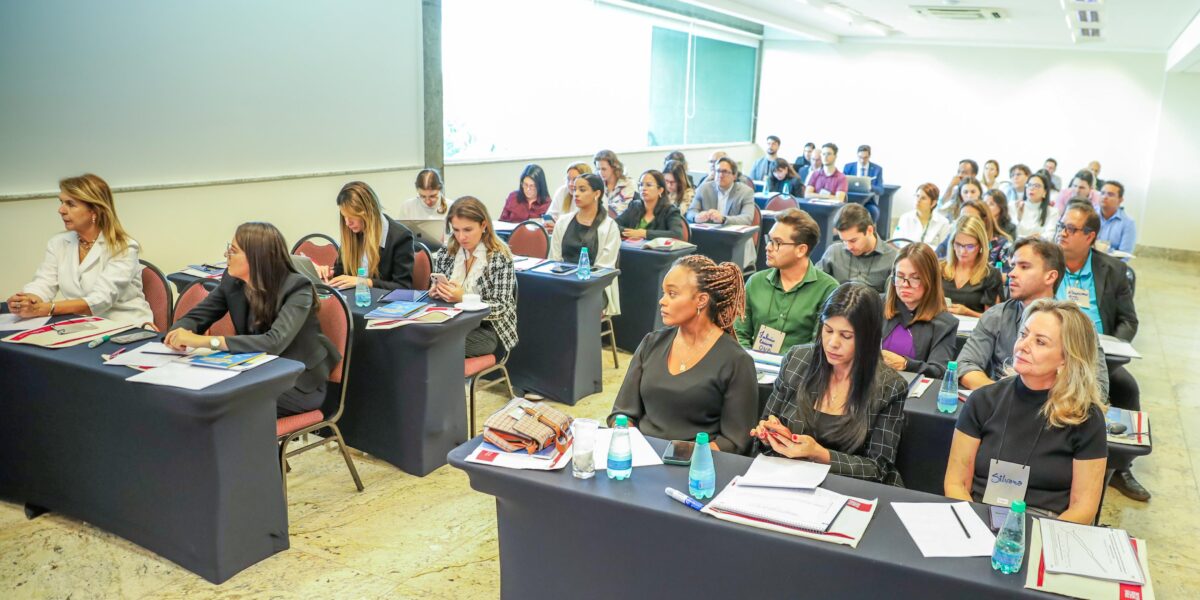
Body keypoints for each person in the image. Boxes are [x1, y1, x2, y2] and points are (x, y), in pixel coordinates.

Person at [945, 299, 1107, 523]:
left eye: (1040, 342)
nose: (1023, 345)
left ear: (1066, 359)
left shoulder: (1085, 418)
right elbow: (956, 483)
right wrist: (973, 527)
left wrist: (1031, 540)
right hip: (978, 514)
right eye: (1024, 334)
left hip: (1047, 525)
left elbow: (1083, 508)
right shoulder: (983, 400)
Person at [166, 222, 341, 417]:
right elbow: (197, 317)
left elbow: (273, 342)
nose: (226, 256)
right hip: (258, 370)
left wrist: (206, 341)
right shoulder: (232, 281)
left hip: (298, 381)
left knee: (220, 404)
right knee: (194, 394)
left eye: (233, 251)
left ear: (256, 258)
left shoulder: (297, 288)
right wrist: (179, 332)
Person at [750, 282, 909, 485]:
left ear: (867, 339)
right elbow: (766, 430)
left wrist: (819, 454)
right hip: (789, 480)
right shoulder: (798, 360)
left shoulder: (890, 386)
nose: (833, 343)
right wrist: (770, 436)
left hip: (847, 488)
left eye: (846, 336)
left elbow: (878, 468)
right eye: (828, 330)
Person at [609, 255, 757, 454]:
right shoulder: (651, 343)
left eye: (672, 294)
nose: (662, 301)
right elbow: (622, 413)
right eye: (664, 293)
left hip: (697, 466)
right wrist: (632, 448)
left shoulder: (736, 361)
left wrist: (681, 458)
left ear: (701, 300)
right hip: (640, 456)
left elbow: (735, 441)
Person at [1055, 203, 1147, 501]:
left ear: (1090, 236)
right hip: (1051, 348)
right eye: (1062, 226)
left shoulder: (1114, 270)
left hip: (1096, 354)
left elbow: (1128, 320)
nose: (1063, 233)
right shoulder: (1047, 263)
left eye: (1071, 229)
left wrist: (1108, 349)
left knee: (1126, 387)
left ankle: (1120, 466)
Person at [956, 237, 1109, 397]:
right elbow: (965, 365)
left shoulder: (1077, 325)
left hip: (1057, 412)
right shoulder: (995, 316)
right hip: (1001, 411)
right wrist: (1006, 397)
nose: (1012, 274)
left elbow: (1099, 389)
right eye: (1013, 266)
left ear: (1050, 277)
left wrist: (1035, 403)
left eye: (1024, 267)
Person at [7, 174, 153, 327]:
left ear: (94, 210)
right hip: (81, 325)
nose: (61, 210)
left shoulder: (124, 248)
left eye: (70, 204)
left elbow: (101, 299)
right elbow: (44, 283)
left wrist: (46, 308)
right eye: (61, 202)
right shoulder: (58, 243)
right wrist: (27, 300)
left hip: (125, 326)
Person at [735, 208, 839, 352]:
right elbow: (739, 333)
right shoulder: (755, 282)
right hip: (754, 366)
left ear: (801, 250)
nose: (768, 247)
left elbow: (818, 346)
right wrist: (748, 363)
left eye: (777, 242)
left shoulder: (828, 289)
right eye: (769, 240)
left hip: (799, 371)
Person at [429, 197, 518, 358]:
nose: (461, 237)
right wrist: (437, 292)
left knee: (437, 344)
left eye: (467, 230)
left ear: (484, 225)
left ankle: (448, 382)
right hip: (451, 323)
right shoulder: (446, 252)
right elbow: (441, 296)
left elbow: (502, 308)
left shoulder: (499, 257)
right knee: (422, 338)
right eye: (456, 230)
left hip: (489, 330)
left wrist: (464, 298)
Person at [881, 243, 958, 378]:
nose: (905, 284)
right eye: (900, 276)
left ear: (930, 281)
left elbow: (939, 371)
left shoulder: (946, 323)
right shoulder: (877, 305)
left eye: (915, 278)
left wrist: (906, 364)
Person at [549, 173, 621, 315]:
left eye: (582, 190)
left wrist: (579, 284)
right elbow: (554, 258)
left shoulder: (609, 226)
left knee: (573, 306)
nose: (576, 194)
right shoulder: (563, 222)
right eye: (575, 189)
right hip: (563, 281)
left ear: (597, 193)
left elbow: (604, 268)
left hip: (594, 287)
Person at [322, 181, 415, 290]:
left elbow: (403, 288)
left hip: (383, 304)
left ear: (368, 212)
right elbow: (341, 272)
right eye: (344, 217)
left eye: (352, 217)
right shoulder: (352, 232)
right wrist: (329, 273)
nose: (347, 223)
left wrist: (364, 282)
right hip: (354, 299)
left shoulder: (400, 237)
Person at [818, 203, 898, 294]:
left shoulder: (892, 258)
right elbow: (816, 284)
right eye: (844, 240)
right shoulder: (834, 252)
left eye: (853, 240)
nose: (848, 247)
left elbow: (892, 299)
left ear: (869, 230)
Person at [941, 216, 1004, 317]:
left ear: (980, 246)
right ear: (952, 243)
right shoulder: (939, 268)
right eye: (958, 245)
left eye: (970, 246)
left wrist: (967, 312)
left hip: (973, 330)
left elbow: (993, 319)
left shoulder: (990, 275)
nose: (962, 251)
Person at [616, 169, 685, 240]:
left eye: (648, 185)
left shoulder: (670, 211)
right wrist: (632, 233)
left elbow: (677, 234)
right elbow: (614, 225)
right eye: (641, 185)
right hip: (632, 249)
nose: (643, 188)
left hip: (656, 251)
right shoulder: (634, 206)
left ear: (660, 190)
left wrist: (644, 233)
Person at [686, 156, 756, 225]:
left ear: (734, 176)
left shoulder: (746, 192)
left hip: (732, 234)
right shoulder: (704, 188)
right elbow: (691, 211)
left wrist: (723, 219)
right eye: (718, 171)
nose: (720, 175)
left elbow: (747, 218)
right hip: (709, 233)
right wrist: (696, 217)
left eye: (725, 172)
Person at [892, 182, 951, 247]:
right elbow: (896, 242)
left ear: (933, 203)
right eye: (917, 196)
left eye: (923, 198)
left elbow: (944, 250)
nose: (918, 200)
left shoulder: (943, 222)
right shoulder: (905, 218)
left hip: (930, 256)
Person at [1096, 180, 1136, 258]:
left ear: (1120, 200)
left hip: (1112, 264)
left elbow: (1124, 254)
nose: (1105, 197)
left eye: (1110, 194)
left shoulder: (1128, 223)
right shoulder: (1089, 215)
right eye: (1102, 193)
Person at [547, 162, 592, 230]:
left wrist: (559, 227)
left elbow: (584, 226)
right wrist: (548, 223)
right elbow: (550, 215)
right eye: (568, 179)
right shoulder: (562, 191)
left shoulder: (592, 196)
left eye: (574, 180)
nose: (570, 184)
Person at [1014, 173, 1059, 240]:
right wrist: (1018, 218)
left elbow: (1049, 236)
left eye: (1037, 186)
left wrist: (1027, 238)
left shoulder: (1052, 212)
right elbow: (1011, 234)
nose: (1032, 188)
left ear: (1045, 192)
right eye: (1029, 185)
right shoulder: (1015, 206)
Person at [593, 149, 636, 216]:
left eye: (604, 169)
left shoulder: (627, 184)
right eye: (598, 169)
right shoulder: (597, 184)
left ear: (614, 167)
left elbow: (620, 211)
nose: (600, 173)